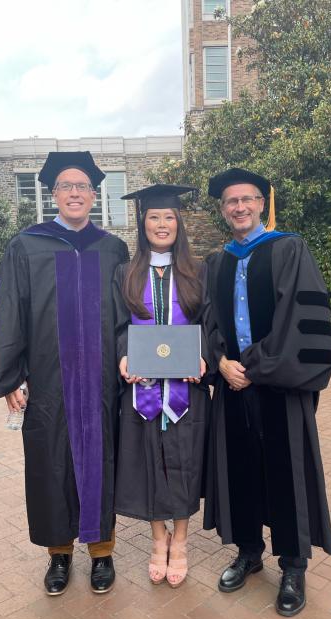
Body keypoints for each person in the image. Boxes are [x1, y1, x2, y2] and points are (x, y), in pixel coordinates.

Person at [0, 151, 129, 596]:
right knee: (51, 464)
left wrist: (132, 360)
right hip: (50, 380)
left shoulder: (112, 249)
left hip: (103, 381)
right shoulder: (25, 245)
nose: (74, 193)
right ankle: (59, 554)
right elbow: (8, 311)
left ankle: (102, 553)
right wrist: (10, 376)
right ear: (53, 195)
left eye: (82, 186)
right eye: (66, 186)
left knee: (102, 461)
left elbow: (127, 317)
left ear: (93, 195)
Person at [203, 167, 331, 616]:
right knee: (240, 467)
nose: (239, 207)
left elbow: (300, 318)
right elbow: (210, 323)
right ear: (223, 210)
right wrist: (220, 361)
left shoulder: (289, 249)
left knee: (287, 469)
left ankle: (294, 566)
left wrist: (254, 367)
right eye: (230, 202)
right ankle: (248, 552)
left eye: (247, 199)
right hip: (234, 383)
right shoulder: (216, 262)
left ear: (262, 203)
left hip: (278, 383)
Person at [112, 184, 211, 588]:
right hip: (142, 390)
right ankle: (158, 539)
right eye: (154, 217)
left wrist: (203, 355)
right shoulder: (125, 272)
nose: (162, 224)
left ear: (179, 222)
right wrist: (123, 355)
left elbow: (210, 321)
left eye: (169, 217)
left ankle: (182, 541)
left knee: (184, 461)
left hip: (187, 388)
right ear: (143, 223)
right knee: (148, 460)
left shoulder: (198, 271)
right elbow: (117, 324)